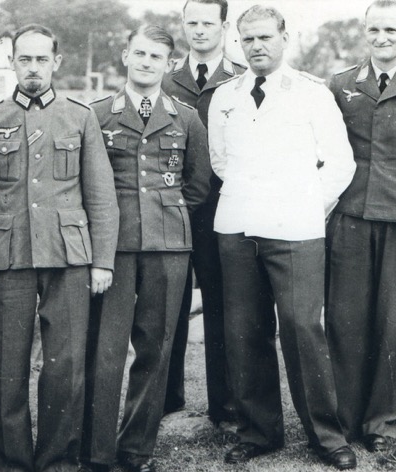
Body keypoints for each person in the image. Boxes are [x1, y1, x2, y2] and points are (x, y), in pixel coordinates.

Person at [0, 23, 119, 472]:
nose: (33, 68)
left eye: (41, 59)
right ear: (12, 62)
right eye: (24, 59)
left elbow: (101, 196)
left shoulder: (80, 117)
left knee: (65, 369)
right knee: (8, 370)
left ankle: (58, 469)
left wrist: (102, 261)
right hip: (7, 258)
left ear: (56, 62)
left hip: (69, 257)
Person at [208, 5, 358, 469]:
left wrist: (306, 205)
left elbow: (340, 163)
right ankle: (259, 432)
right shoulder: (225, 95)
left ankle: (326, 436)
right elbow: (220, 160)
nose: (256, 46)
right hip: (237, 227)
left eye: (264, 37)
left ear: (284, 38)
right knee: (244, 330)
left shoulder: (312, 93)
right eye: (248, 39)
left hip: (295, 229)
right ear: (238, 42)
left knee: (301, 329)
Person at [77, 25, 212, 472]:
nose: (147, 62)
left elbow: (197, 184)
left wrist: (164, 218)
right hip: (112, 247)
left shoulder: (186, 118)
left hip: (168, 246)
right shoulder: (97, 114)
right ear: (124, 56)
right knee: (105, 349)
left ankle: (137, 446)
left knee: (157, 348)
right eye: (139, 53)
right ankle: (94, 452)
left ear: (169, 64)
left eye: (156, 56)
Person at [325, 0, 396, 463]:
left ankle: (388, 425)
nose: (382, 37)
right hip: (351, 213)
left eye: (391, 29)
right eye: (374, 29)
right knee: (345, 319)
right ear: (364, 31)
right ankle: (344, 419)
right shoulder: (340, 84)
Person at [160, 0, 245, 424]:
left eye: (208, 23)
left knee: (221, 302)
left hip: (221, 207)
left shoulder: (241, 79)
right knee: (167, 304)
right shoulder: (164, 78)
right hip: (172, 207)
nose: (199, 30)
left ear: (224, 27)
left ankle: (224, 403)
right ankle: (165, 398)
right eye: (191, 22)